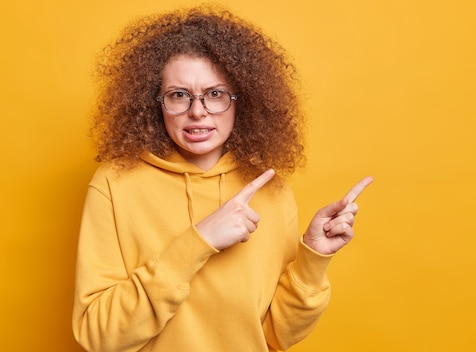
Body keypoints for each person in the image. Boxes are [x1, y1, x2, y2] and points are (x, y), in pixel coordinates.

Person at [72, 4, 373, 352]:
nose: (197, 111)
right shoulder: (115, 184)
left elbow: (277, 336)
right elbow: (97, 337)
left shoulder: (270, 189)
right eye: (179, 95)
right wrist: (198, 241)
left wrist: (313, 259)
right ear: (154, 102)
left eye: (215, 94)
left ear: (241, 101)